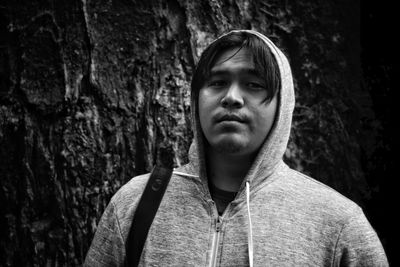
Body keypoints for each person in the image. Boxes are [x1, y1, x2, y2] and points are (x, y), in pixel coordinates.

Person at [84, 30, 388, 266]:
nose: (231, 97)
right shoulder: (135, 204)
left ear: (282, 104)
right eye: (217, 82)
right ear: (196, 100)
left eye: (254, 85)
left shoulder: (338, 224)